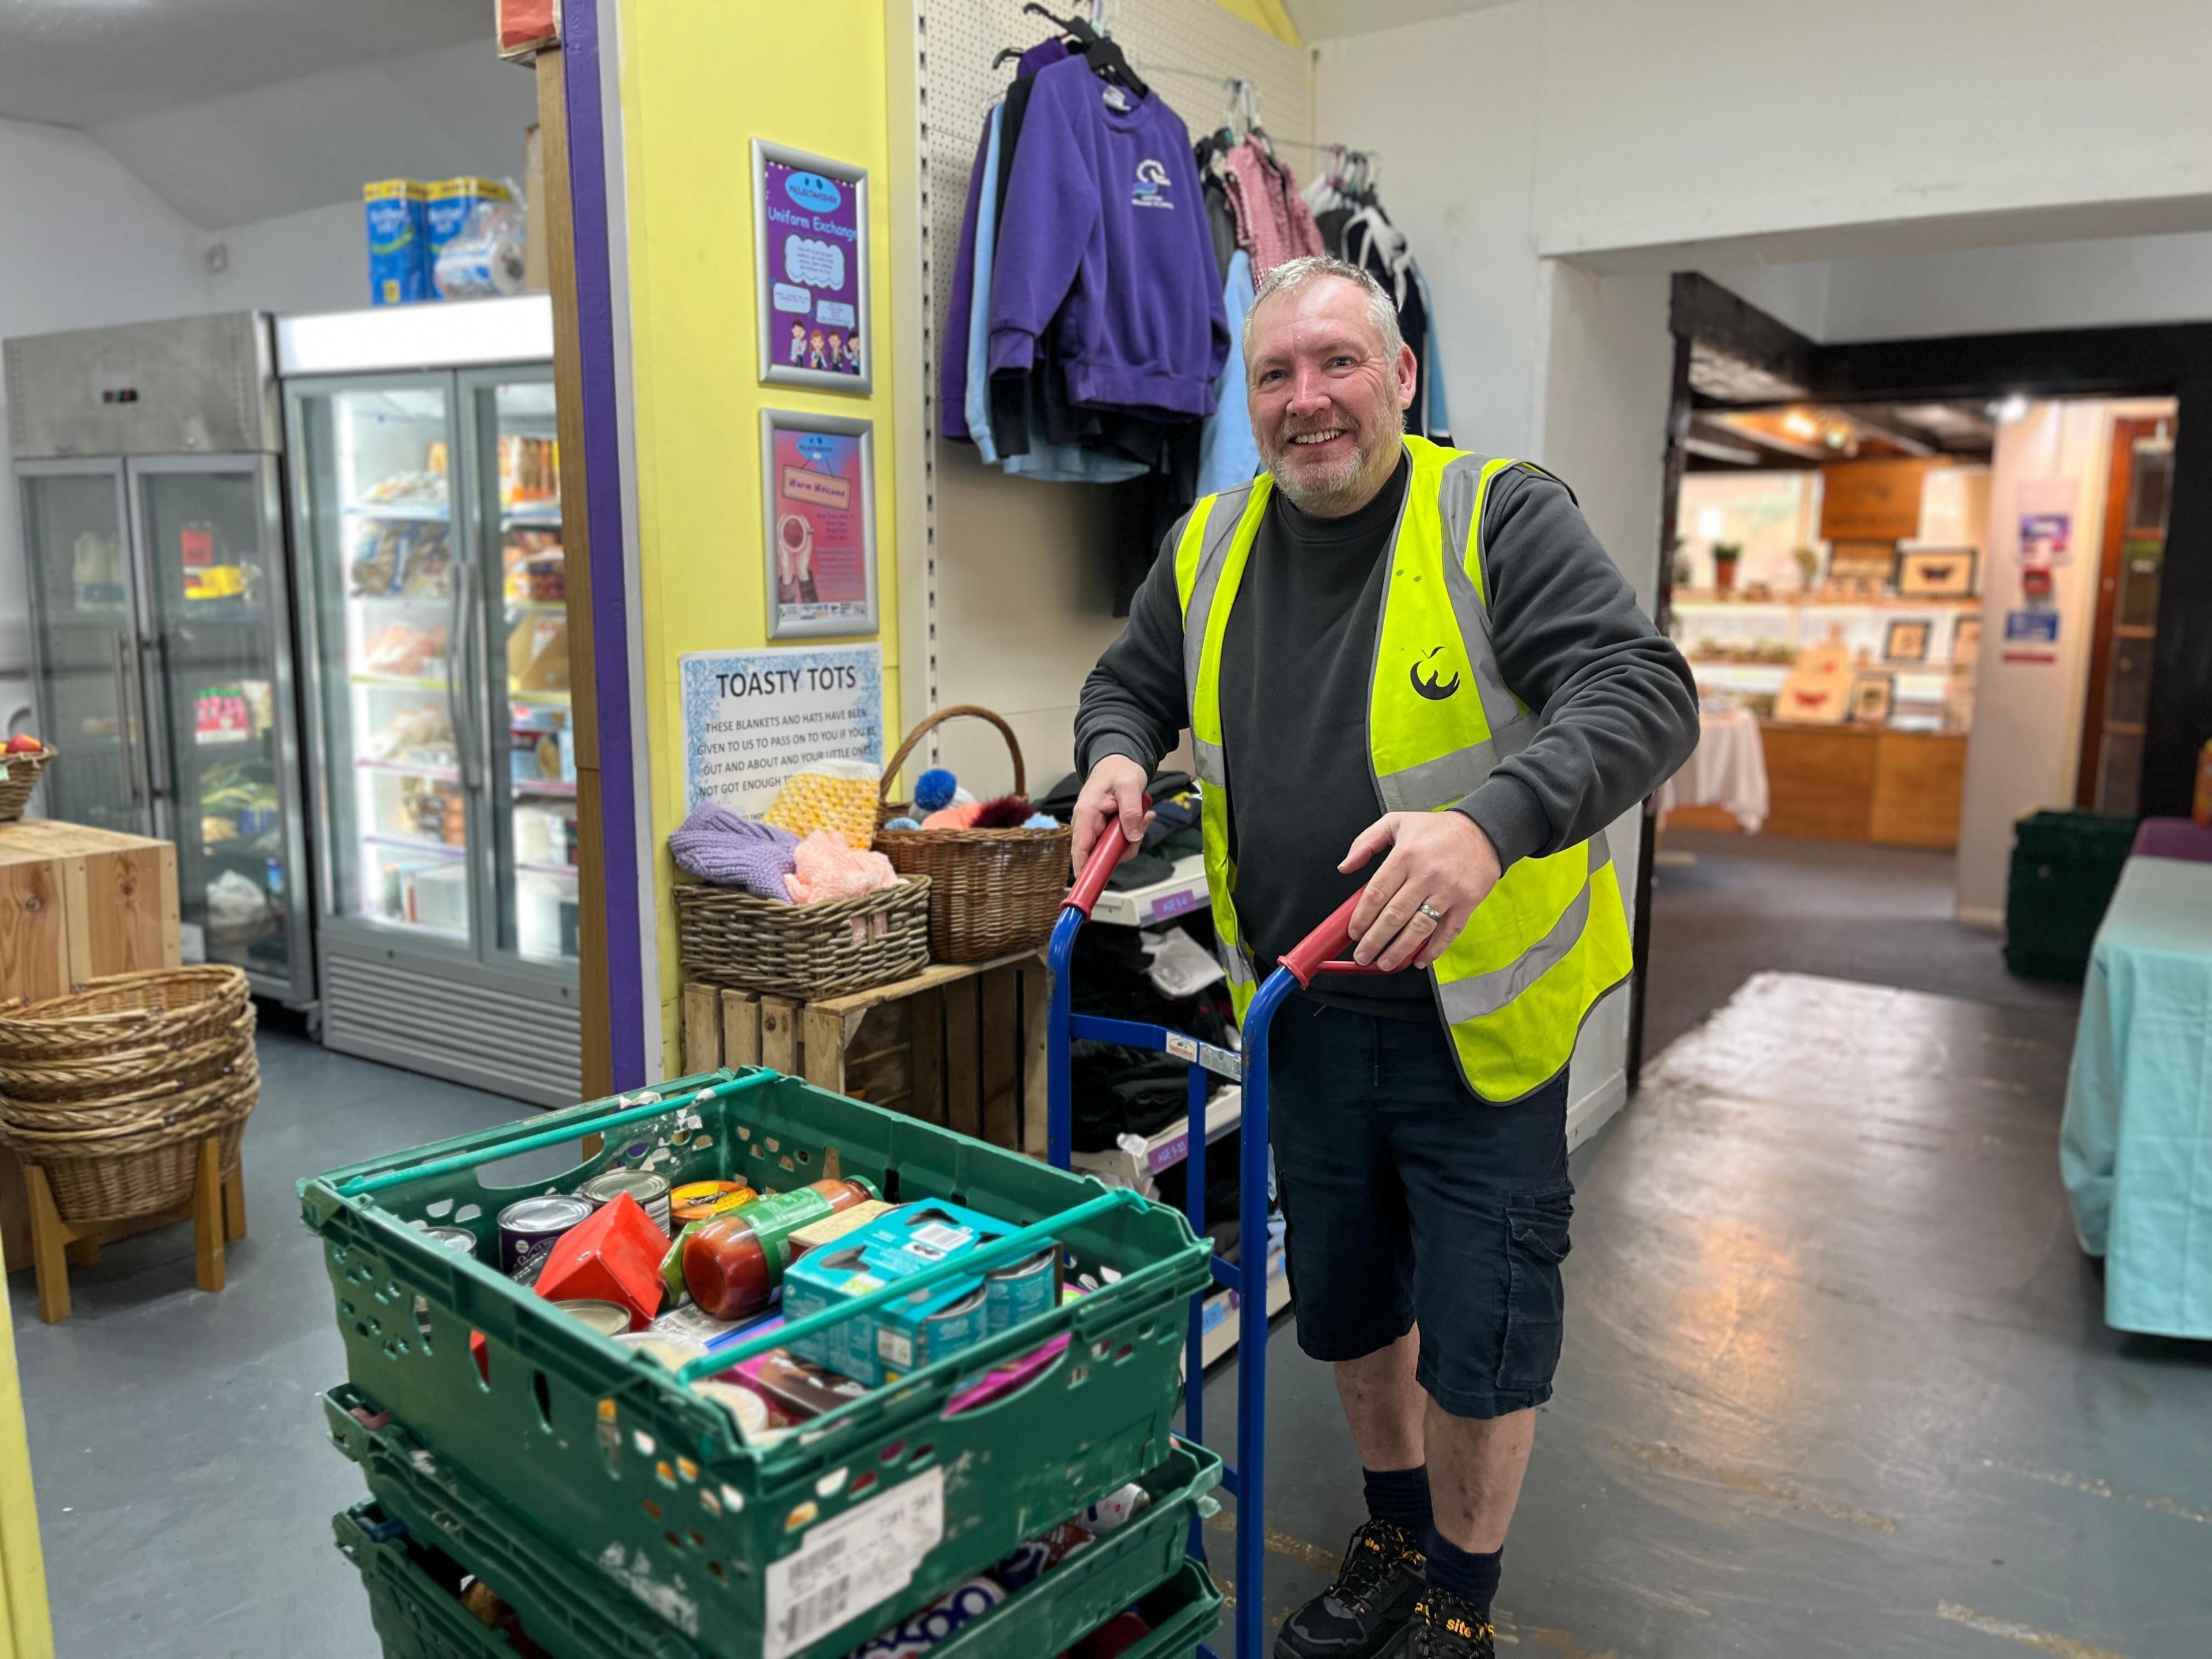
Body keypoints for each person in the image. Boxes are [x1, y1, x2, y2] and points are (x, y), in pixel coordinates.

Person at [1071, 256, 1696, 1659]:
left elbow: (1642, 691)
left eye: (1340, 363)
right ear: (1250, 399)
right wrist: (1115, 757)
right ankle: (1394, 1532)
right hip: (1299, 1011)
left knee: (1482, 1333)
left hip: (1474, 1022)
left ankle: (1459, 1615)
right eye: (1277, 375)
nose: (1310, 400)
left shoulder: (1498, 514)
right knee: (1349, 1302)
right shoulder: (1209, 541)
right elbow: (1129, 681)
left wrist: (1493, 824)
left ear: (1402, 375)